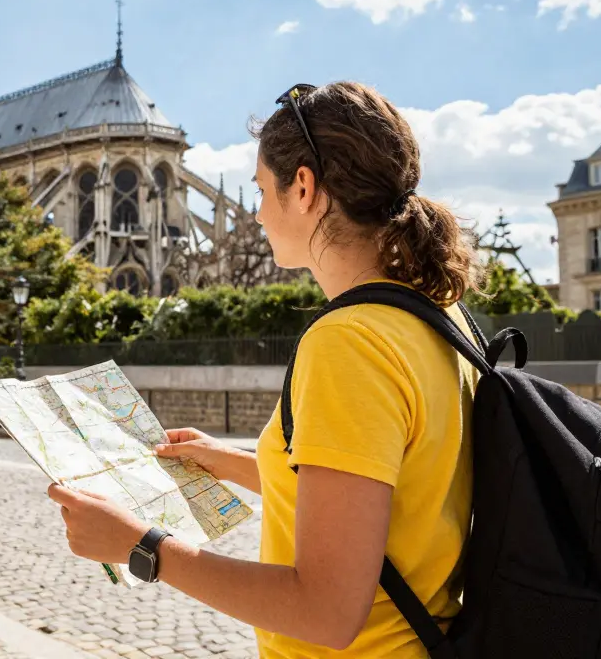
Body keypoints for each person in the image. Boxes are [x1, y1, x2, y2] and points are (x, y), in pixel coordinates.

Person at [48, 82, 486, 657]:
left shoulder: (348, 344)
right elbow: (382, 494)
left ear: (302, 187)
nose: (253, 212)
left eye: (259, 189)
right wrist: (235, 463)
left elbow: (326, 611)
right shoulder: (439, 315)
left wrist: (141, 544)